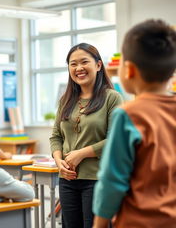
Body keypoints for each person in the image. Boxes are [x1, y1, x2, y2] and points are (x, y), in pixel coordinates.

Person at [93, 19, 176, 228]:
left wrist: (99, 224)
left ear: (128, 70)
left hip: (139, 222)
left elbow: (112, 180)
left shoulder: (128, 114)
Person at [50, 43, 123, 228]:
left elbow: (117, 139)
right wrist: (59, 162)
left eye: (84, 62)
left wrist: (81, 153)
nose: (78, 68)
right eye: (73, 64)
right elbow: (56, 136)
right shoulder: (66, 100)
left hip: (98, 179)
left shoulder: (112, 98)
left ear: (98, 65)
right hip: (67, 179)